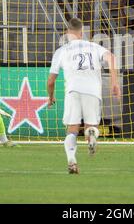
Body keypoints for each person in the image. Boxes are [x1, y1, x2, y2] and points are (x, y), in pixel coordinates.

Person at [47, 18, 121, 174]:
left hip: (73, 90)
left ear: (67, 32)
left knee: (72, 129)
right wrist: (114, 82)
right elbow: (112, 58)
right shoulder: (94, 46)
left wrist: (50, 97)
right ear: (82, 32)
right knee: (91, 126)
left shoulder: (61, 51)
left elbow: (51, 81)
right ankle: (92, 136)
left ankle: (72, 160)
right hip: (93, 91)